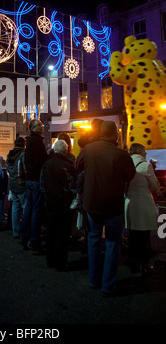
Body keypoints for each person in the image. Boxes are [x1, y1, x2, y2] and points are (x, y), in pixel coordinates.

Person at [77, 120, 135, 296]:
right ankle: (108, 284)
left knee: (93, 240)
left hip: (92, 203)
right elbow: (130, 175)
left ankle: (94, 280)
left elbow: (77, 167)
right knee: (112, 243)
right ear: (115, 134)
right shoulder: (121, 154)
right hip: (113, 204)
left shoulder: (88, 150)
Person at [41, 139, 76, 271]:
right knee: (62, 234)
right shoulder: (67, 165)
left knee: (51, 232)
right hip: (63, 204)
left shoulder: (46, 164)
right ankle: (61, 262)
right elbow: (73, 184)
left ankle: (50, 259)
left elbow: (42, 183)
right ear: (65, 150)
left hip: (50, 202)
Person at [125, 143, 160, 274]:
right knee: (144, 235)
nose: (146, 154)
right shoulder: (145, 165)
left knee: (132, 234)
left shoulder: (126, 165)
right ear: (139, 152)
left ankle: (132, 261)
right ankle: (143, 263)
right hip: (143, 204)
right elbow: (154, 186)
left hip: (129, 203)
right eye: (144, 151)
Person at [19, 119, 48, 252]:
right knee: (36, 209)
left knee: (29, 208)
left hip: (30, 178)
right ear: (33, 128)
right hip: (36, 179)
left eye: (41, 125)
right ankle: (34, 239)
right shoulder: (37, 142)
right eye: (39, 126)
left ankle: (24, 235)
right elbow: (40, 161)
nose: (41, 127)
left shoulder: (30, 141)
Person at [6, 137, 27, 239]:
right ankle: (25, 230)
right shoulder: (23, 155)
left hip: (13, 183)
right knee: (25, 207)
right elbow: (25, 170)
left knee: (15, 208)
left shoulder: (10, 154)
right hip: (21, 183)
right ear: (23, 144)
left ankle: (15, 231)